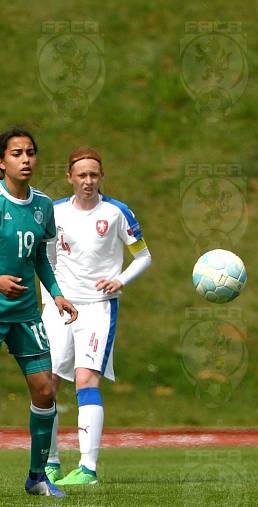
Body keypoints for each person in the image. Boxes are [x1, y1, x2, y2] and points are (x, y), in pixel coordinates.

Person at [42, 147, 151, 486]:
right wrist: (50, 296)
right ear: (69, 177)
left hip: (98, 308)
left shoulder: (117, 213)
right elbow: (44, 258)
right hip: (59, 308)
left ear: (101, 177)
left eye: (94, 175)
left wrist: (120, 279)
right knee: (47, 385)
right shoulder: (54, 212)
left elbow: (144, 257)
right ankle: (51, 463)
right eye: (82, 175)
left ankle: (87, 469)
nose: (88, 181)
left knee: (87, 380)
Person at [0, 127, 78, 497]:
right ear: (2, 163)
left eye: (30, 152)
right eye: (16, 153)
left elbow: (40, 260)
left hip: (26, 313)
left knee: (45, 391)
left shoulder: (44, 205)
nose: (25, 159)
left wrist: (57, 294)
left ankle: (36, 477)